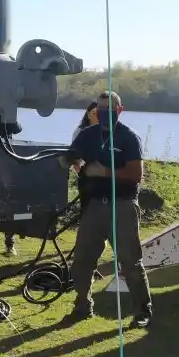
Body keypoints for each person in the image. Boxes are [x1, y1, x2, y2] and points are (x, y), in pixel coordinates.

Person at [64, 91, 152, 326]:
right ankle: (83, 304)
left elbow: (136, 175)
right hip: (94, 206)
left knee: (130, 261)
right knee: (83, 258)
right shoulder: (88, 135)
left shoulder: (128, 138)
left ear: (119, 110)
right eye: (100, 110)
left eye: (109, 110)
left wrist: (104, 172)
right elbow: (69, 157)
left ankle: (142, 311)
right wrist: (79, 166)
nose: (104, 114)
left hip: (122, 206)